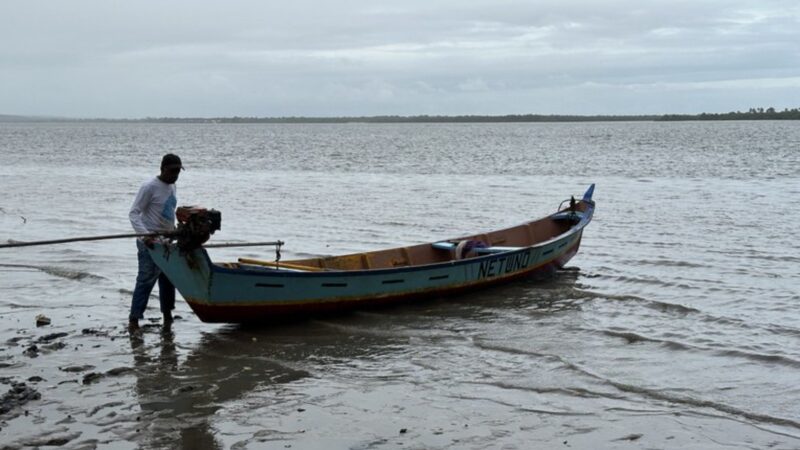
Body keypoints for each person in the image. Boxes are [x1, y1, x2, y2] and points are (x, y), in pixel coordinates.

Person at [128, 154, 184, 331]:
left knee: (168, 280)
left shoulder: (172, 186)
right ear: (163, 169)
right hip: (150, 244)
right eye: (172, 171)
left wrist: (175, 230)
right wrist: (145, 236)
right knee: (145, 280)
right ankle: (134, 320)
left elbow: (167, 213)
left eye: (178, 172)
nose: (175, 175)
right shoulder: (149, 187)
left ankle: (167, 316)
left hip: (166, 241)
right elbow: (134, 213)